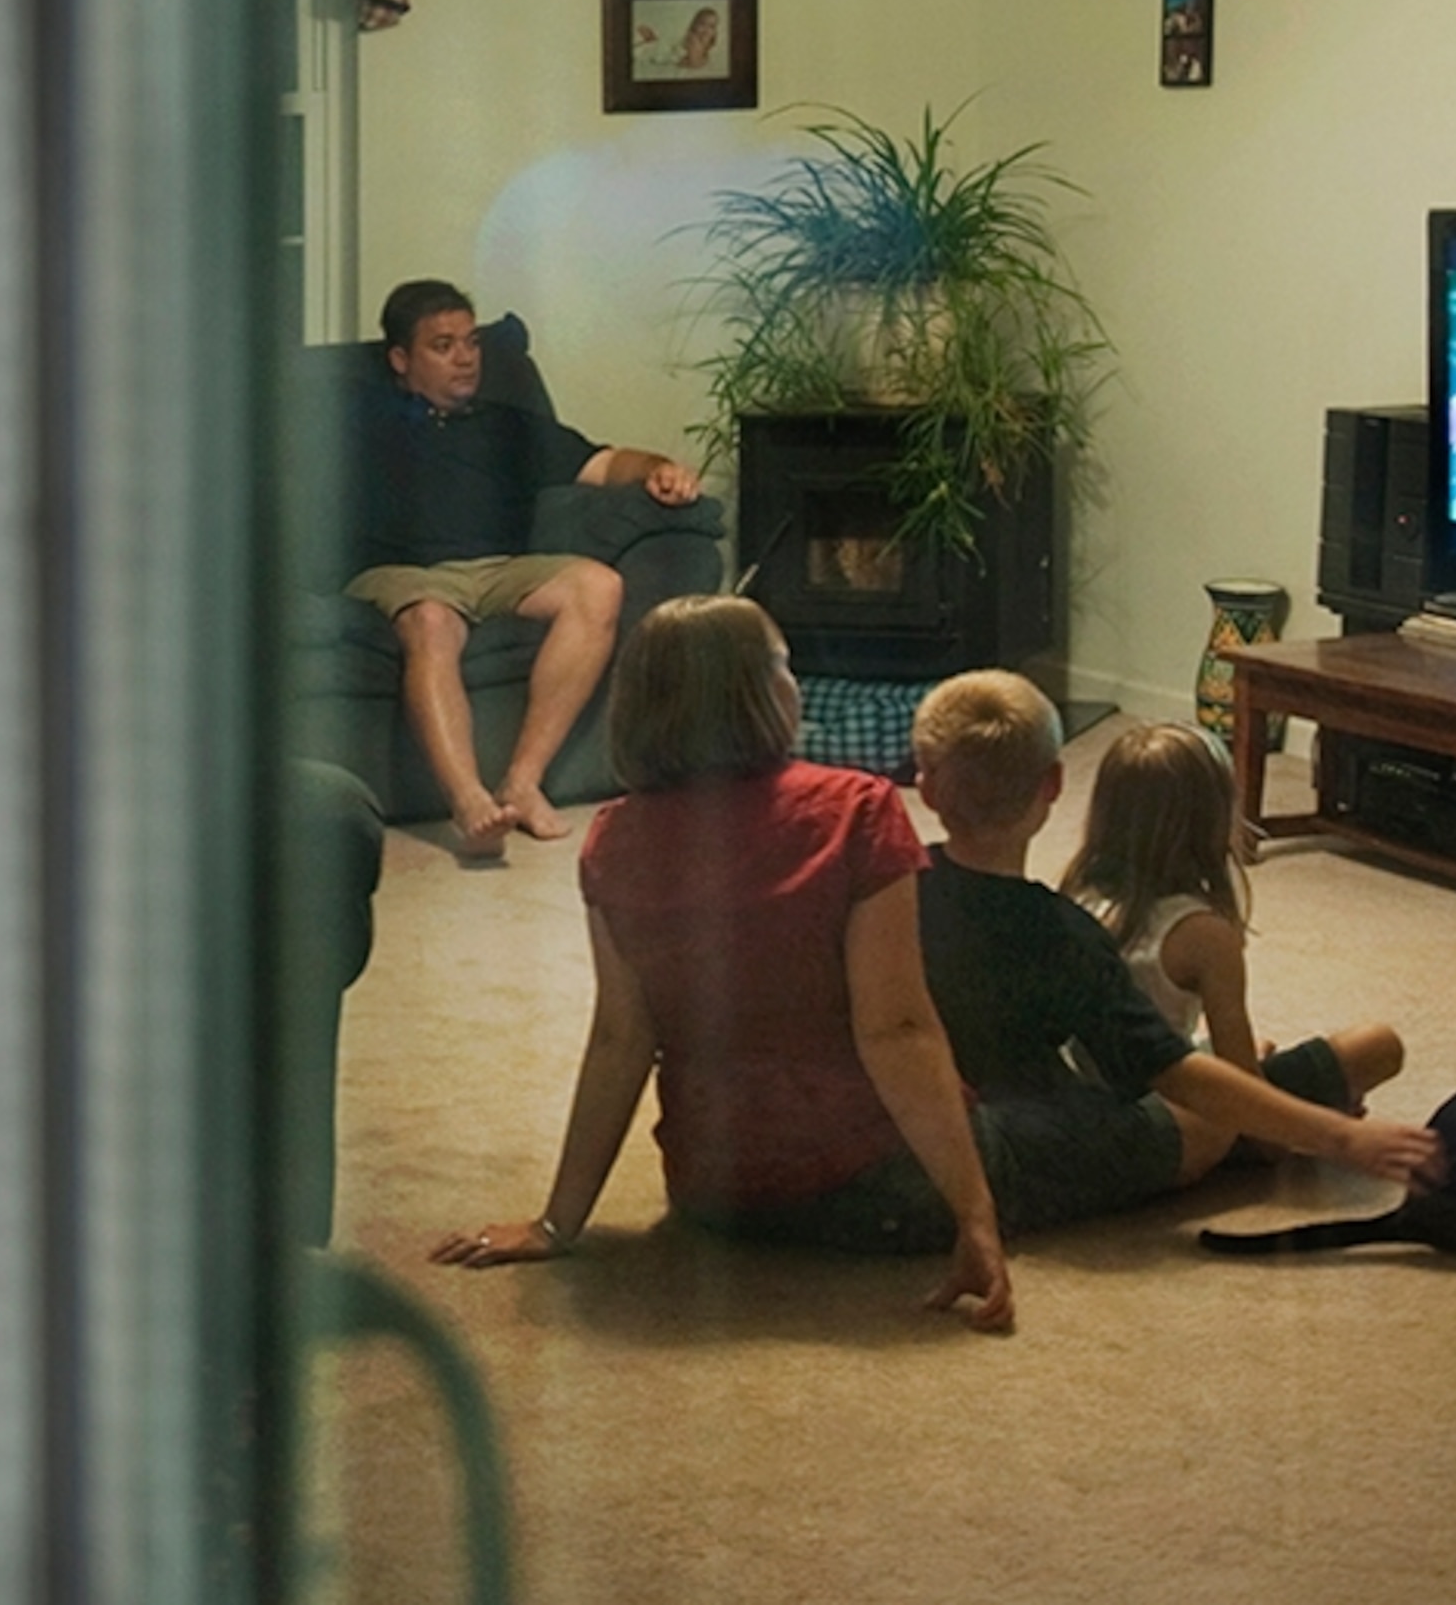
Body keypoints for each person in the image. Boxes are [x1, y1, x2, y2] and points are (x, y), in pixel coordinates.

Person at [429, 597, 1014, 1329]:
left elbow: (620, 1038)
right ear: (761, 692)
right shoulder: (857, 809)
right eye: (785, 666)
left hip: (717, 1196)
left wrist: (557, 1223)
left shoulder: (611, 839)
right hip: (881, 1188)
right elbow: (895, 1028)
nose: (795, 682)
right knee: (1165, 1122)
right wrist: (975, 1215)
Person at [906, 672, 1437, 1234]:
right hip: (1046, 1129)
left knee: (1224, 1073)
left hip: (963, 1110)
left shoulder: (893, 893)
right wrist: (1339, 1136)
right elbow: (1172, 1075)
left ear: (928, 789)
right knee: (1331, 1063)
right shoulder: (1063, 932)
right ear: (1054, 784)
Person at [348, 278, 702, 857]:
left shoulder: (507, 425)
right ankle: (469, 802)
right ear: (400, 359)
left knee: (597, 585)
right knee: (432, 622)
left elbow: (605, 462)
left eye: (472, 342)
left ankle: (522, 780)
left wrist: (659, 468)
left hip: (501, 571)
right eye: (443, 346)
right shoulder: (360, 424)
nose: (465, 358)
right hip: (404, 574)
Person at [1058, 718, 1408, 1096]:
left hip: (1088, 1097)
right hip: (1166, 1115)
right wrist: (1314, 1136)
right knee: (1377, 1045)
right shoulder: (1201, 933)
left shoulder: (1075, 894)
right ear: (1212, 820)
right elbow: (1241, 1092)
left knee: (1249, 1046)